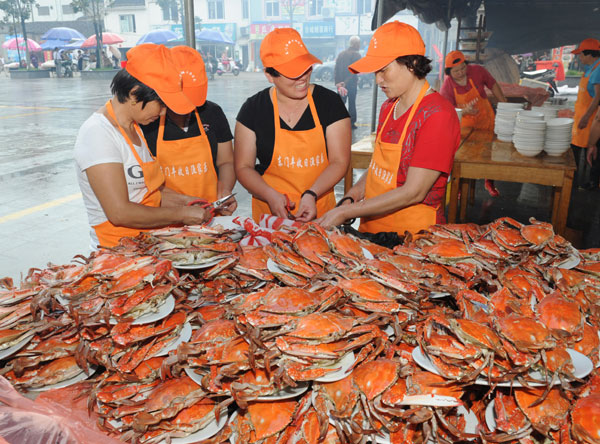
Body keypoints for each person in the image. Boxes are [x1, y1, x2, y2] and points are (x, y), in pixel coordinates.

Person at [316, 21, 460, 237]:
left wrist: (348, 211)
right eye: (375, 71)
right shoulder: (389, 107)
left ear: (412, 63)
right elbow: (377, 169)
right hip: (373, 230)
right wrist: (352, 196)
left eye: (383, 70)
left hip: (412, 238)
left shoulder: (437, 115)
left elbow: (414, 191)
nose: (377, 80)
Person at [74, 44, 212, 249]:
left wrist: (189, 202)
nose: (164, 114)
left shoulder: (135, 128)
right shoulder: (99, 134)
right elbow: (120, 212)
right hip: (117, 249)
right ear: (133, 94)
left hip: (146, 242)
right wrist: (182, 215)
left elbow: (148, 194)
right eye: (161, 104)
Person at [235, 27, 351, 223]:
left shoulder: (330, 103)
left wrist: (311, 194)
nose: (302, 78)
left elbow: (339, 161)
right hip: (270, 218)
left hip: (321, 215)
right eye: (292, 73)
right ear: (270, 75)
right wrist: (269, 195)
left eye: (306, 68)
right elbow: (243, 167)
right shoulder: (253, 109)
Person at [140, 46, 237, 214]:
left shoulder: (212, 113)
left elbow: (226, 161)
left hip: (211, 214)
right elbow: (142, 185)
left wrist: (224, 190)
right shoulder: (148, 122)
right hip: (163, 218)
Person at [440, 50, 507, 197]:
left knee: (489, 154)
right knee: (463, 157)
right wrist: (464, 111)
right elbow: (448, 111)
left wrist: (503, 102)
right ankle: (459, 188)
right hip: (466, 126)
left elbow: (493, 84)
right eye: (456, 71)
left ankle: (489, 183)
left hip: (486, 120)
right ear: (449, 72)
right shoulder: (447, 86)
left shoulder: (477, 71)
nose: (461, 72)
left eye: (463, 68)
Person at [570, 38, 600, 190]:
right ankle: (577, 180)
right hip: (582, 115)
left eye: (581, 54)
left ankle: (592, 183)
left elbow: (598, 97)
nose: (579, 58)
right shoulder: (591, 68)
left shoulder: (599, 69)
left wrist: (586, 117)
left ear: (590, 54)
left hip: (592, 118)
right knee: (578, 149)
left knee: (592, 151)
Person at [334, 36, 362, 130]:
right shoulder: (356, 55)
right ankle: (351, 123)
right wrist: (345, 83)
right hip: (350, 84)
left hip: (340, 85)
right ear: (356, 44)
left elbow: (336, 69)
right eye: (359, 43)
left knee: (340, 103)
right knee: (352, 103)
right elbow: (354, 71)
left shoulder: (341, 54)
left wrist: (338, 82)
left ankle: (338, 122)